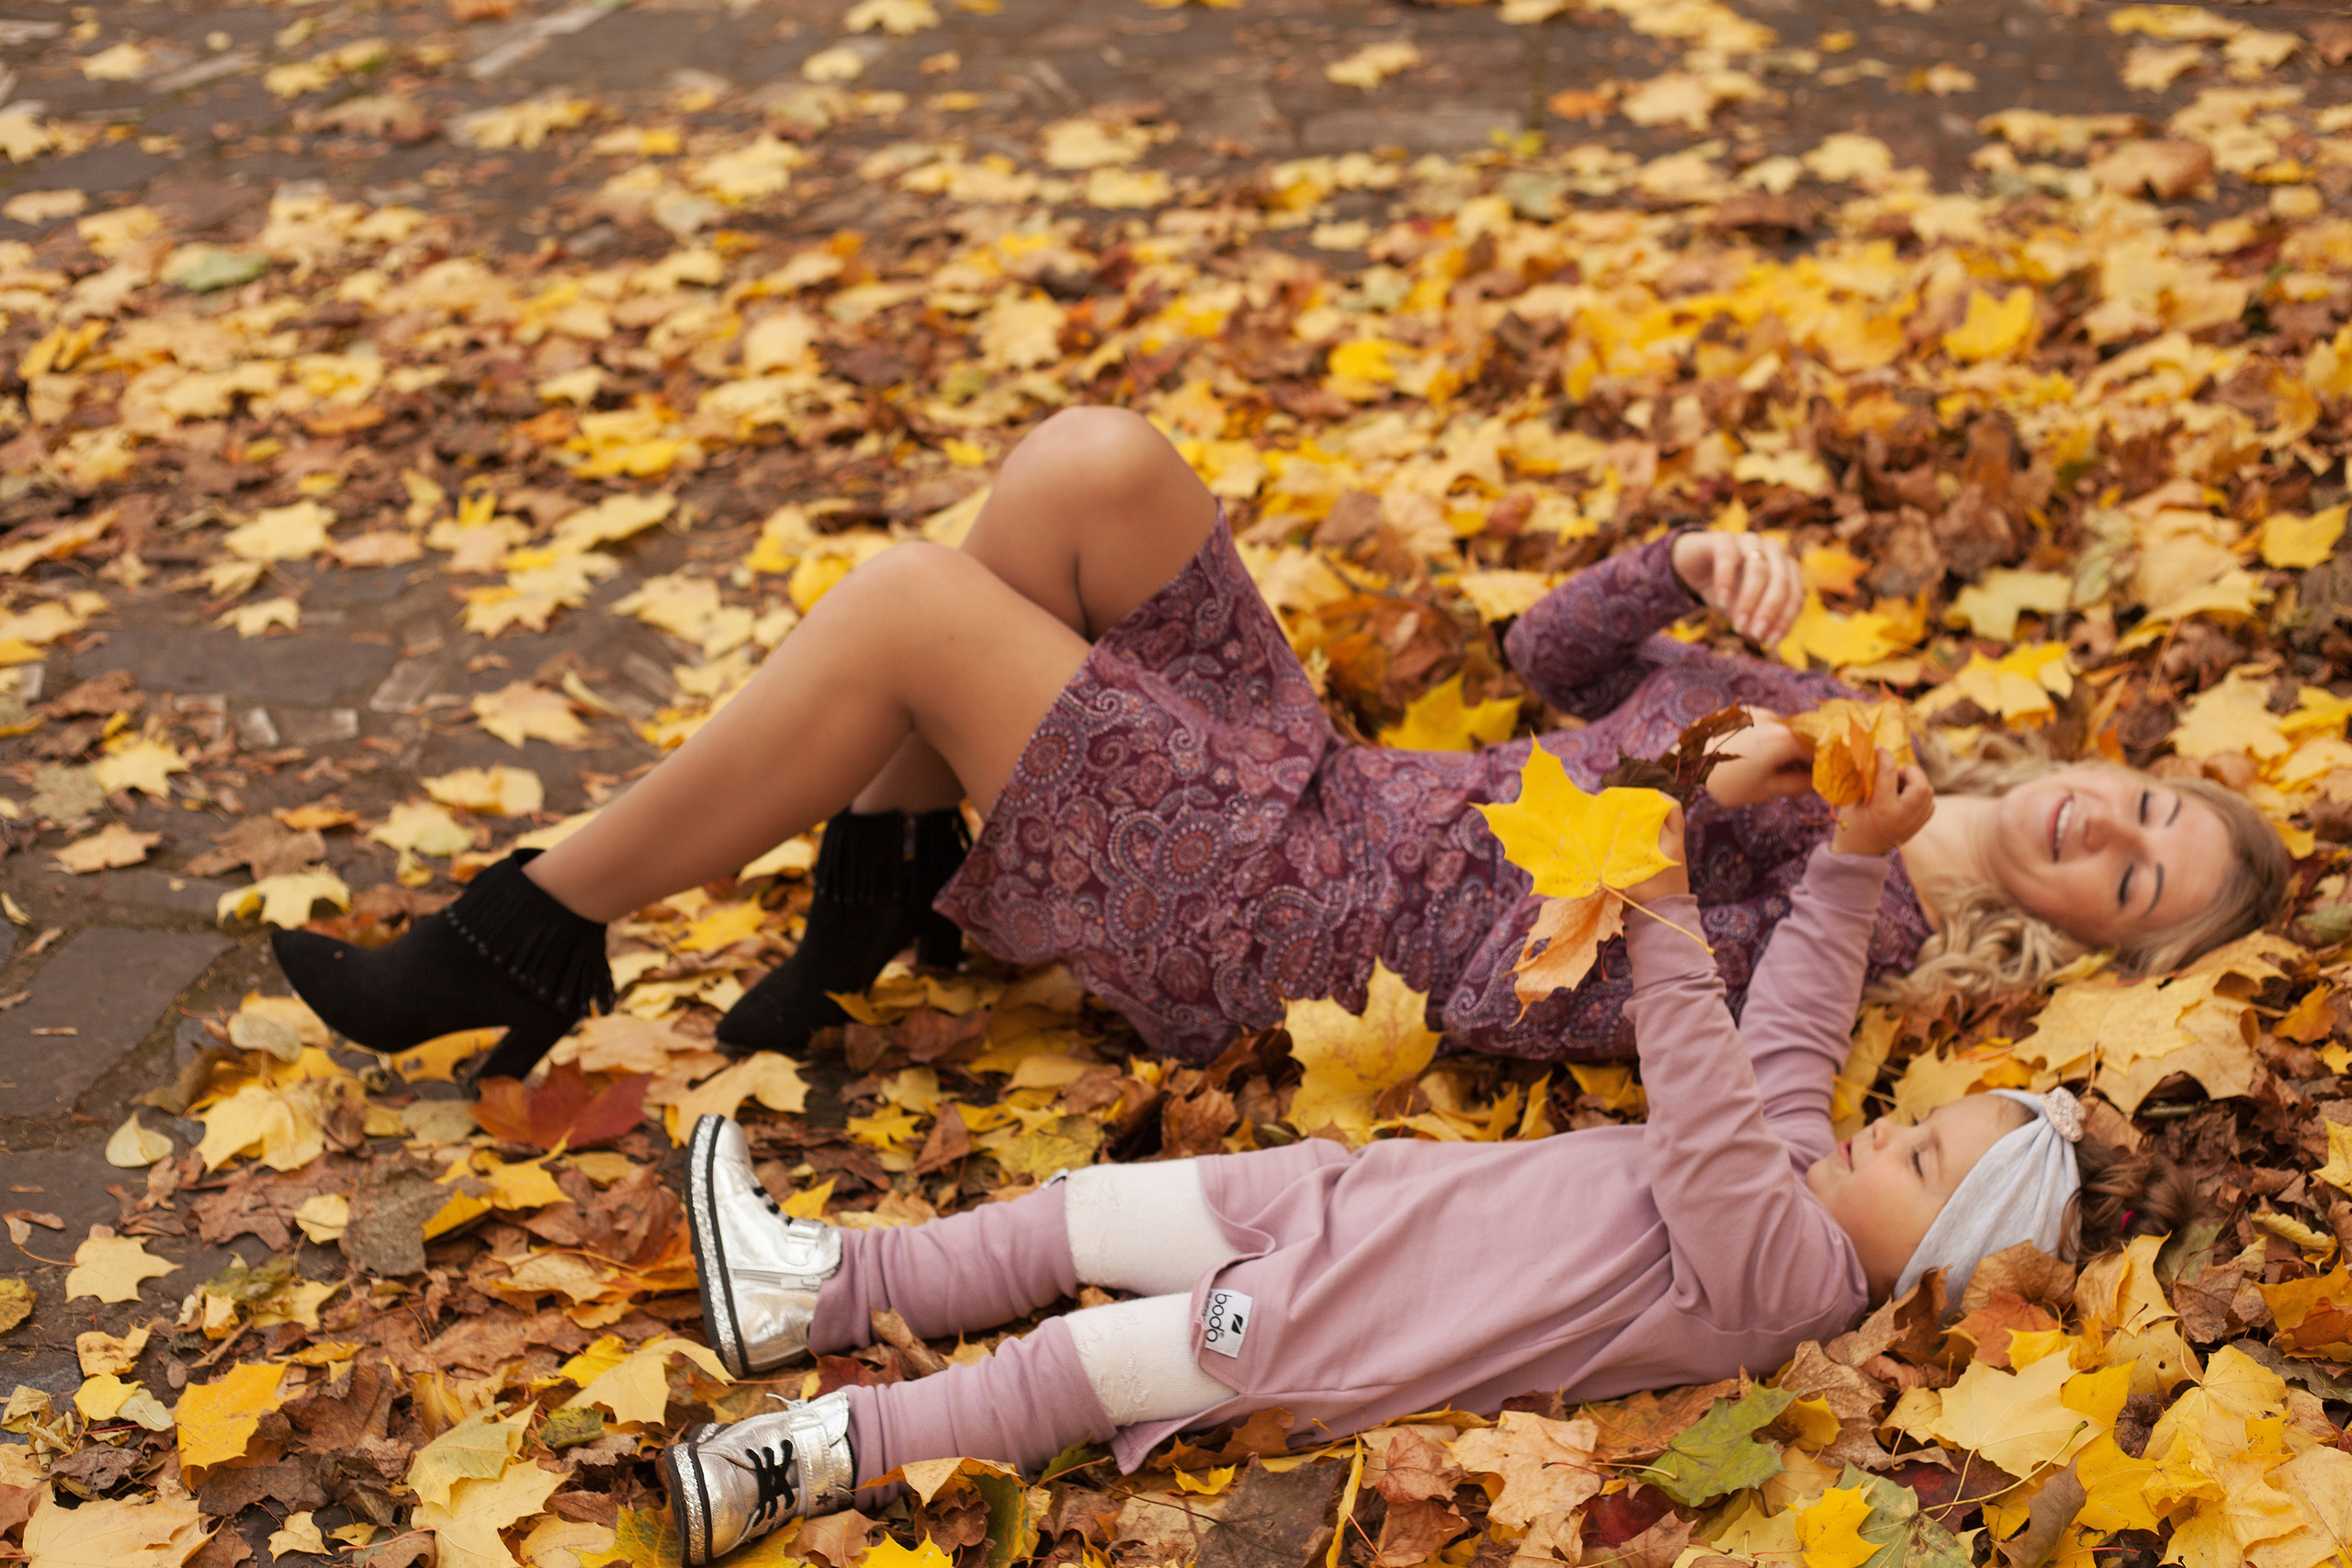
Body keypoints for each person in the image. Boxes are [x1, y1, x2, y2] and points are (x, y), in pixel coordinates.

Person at [266, 408, 2290, 1081]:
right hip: (1321, 785)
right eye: (2145, 806)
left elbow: (1525, 993)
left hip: (1296, 924)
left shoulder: (1860, 946)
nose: (2103, 831)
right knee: (1090, 469)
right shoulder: (1850, 726)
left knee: (904, 607)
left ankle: (525, 935)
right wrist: (1680, 563)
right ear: (2106, 759)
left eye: (2136, 885)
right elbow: (1538, 660)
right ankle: (883, 904)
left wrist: (1713, 810)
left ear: (2090, 953)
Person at [652, 773, 2195, 1566]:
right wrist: (1850, 860)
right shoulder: (1808, 1166)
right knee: (1079, 1215)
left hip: (1346, 1331)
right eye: (1916, 1123)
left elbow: (1707, 1107)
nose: (1884, 1132)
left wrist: (1661, 916)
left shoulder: (1789, 1281)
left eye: (1916, 1162)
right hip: (1339, 1202)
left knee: (1073, 1368)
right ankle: (816, 1288)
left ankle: (818, 1456)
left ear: (1923, 1273)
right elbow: (1793, 1019)